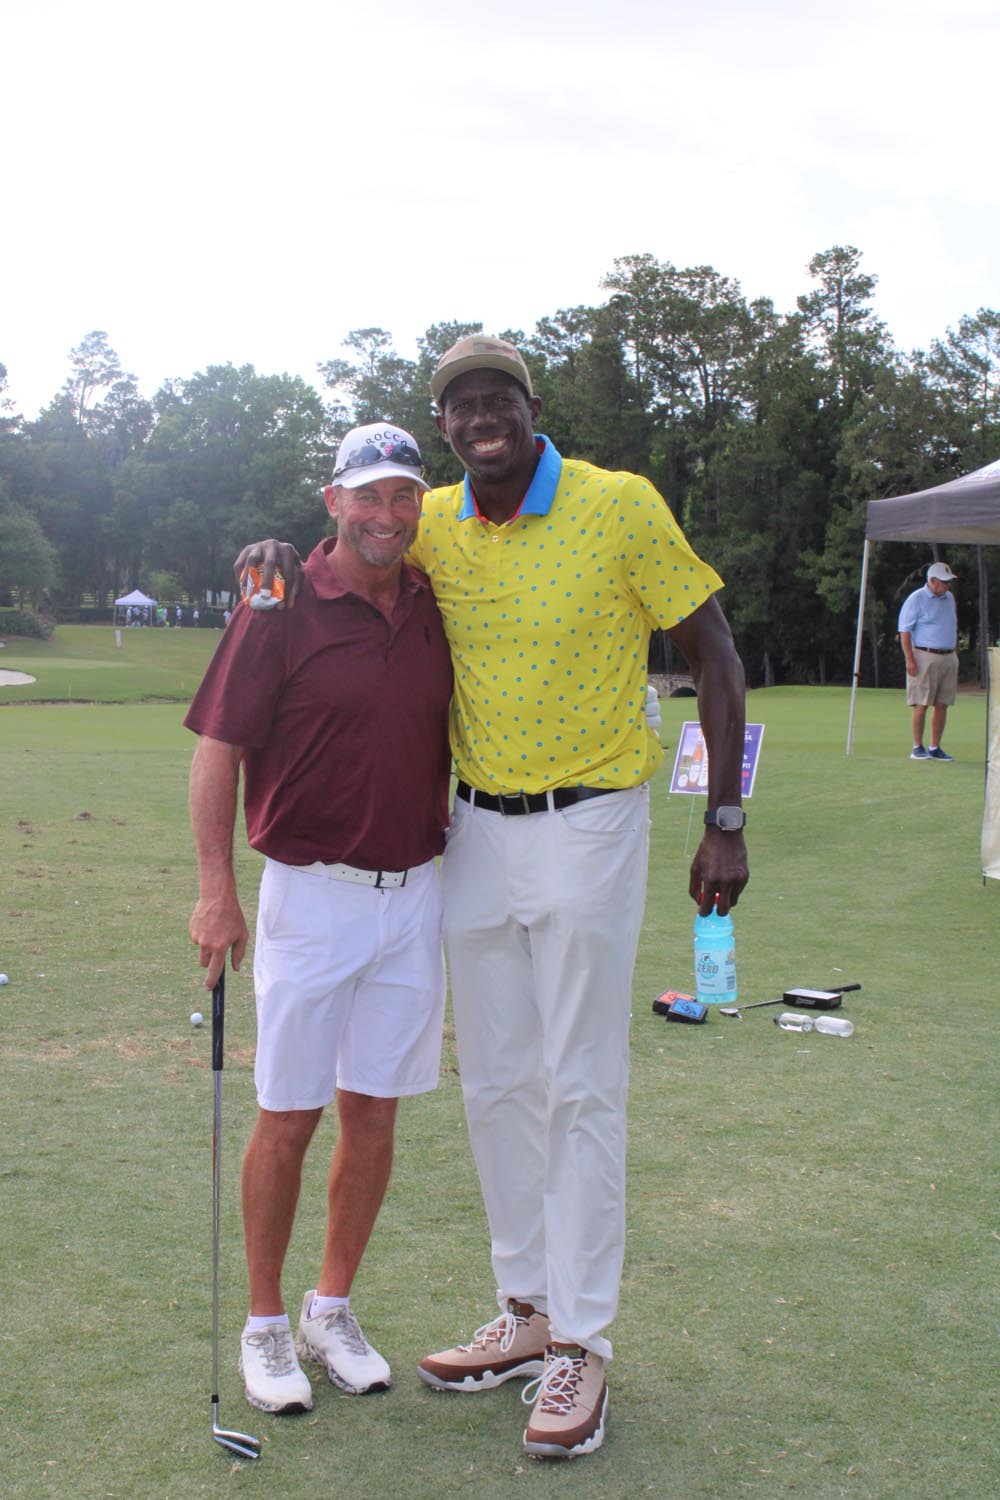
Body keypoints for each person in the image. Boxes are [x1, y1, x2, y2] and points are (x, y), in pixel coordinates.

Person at [236, 334, 748, 1460]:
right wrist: (272, 553)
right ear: (446, 424)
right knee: (501, 1083)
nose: (480, 418)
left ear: (528, 404)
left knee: (582, 1084)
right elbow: (352, 548)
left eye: (496, 399)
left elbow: (715, 652)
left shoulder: (619, 504)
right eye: (460, 405)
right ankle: (526, 1311)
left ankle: (584, 1343)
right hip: (470, 831)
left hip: (592, 820)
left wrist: (723, 818)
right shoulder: (434, 523)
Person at [186, 424, 454, 1418]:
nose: (387, 515)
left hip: (414, 893)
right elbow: (218, 748)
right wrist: (215, 889)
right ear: (333, 500)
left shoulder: (433, 596)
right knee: (290, 1114)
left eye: (403, 496)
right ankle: (263, 1325)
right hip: (310, 892)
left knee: (374, 1112)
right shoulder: (278, 597)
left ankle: (328, 1310)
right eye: (367, 496)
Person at [898, 561, 959, 761]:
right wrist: (909, 659)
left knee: (942, 704)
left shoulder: (949, 598)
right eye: (944, 582)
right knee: (921, 703)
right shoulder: (916, 599)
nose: (948, 585)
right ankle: (917, 747)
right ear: (932, 581)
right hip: (924, 656)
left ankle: (935, 747)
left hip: (948, 656)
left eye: (949, 582)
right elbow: (905, 631)